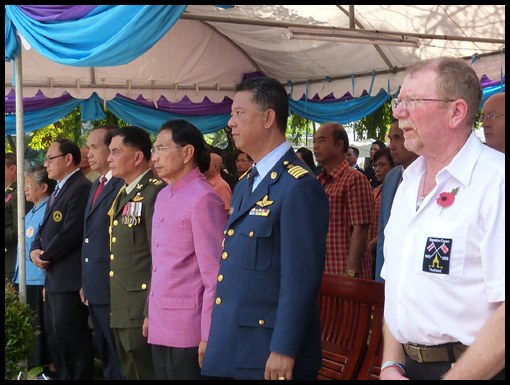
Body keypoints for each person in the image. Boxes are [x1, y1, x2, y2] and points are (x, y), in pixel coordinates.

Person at [381, 57, 505, 380]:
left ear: (456, 112)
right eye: (399, 100)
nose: (397, 112)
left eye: (411, 101)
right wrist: (391, 364)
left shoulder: (497, 181)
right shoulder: (406, 184)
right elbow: (398, 286)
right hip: (406, 368)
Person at [202, 77, 329, 380]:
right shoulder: (248, 182)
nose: (230, 123)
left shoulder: (298, 185)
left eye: (239, 113)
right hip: (236, 337)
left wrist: (284, 349)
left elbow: (301, 278)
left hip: (268, 347)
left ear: (268, 117)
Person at [145, 119, 227, 380]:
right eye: (154, 150)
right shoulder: (163, 194)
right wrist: (150, 311)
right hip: (160, 319)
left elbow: (214, 275)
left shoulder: (204, 197)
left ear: (187, 152)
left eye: (161, 149)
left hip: (188, 327)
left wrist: (208, 333)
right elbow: (159, 263)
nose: (154, 157)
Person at [30, 139, 94, 380]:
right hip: (54, 278)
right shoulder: (59, 188)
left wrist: (45, 255)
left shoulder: (80, 187)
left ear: (68, 159)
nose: (46, 164)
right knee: (58, 343)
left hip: (69, 280)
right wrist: (34, 251)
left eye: (50, 159)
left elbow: (70, 232)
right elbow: (44, 229)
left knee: (73, 345)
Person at [106, 126, 166, 380]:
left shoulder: (154, 192)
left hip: (139, 305)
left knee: (145, 372)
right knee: (130, 371)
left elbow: (158, 256)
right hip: (121, 304)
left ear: (138, 157)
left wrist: (149, 309)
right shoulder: (124, 191)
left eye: (116, 152)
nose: (109, 158)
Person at [80, 125, 125, 380]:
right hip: (95, 286)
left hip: (112, 288)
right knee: (106, 355)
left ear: (112, 149)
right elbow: (90, 237)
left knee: (120, 358)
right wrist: (86, 282)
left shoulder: (121, 184)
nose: (88, 153)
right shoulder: (97, 182)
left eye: (95, 147)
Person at [314, 122, 374, 279]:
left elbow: (360, 229)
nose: (315, 146)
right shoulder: (319, 181)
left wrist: (350, 273)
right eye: (314, 141)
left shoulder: (354, 179)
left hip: (346, 275)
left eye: (321, 140)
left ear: (339, 145)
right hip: (323, 273)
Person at [13, 165, 56, 375]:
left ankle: (44, 371)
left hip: (38, 279)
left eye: (29, 184)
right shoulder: (33, 210)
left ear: (44, 187)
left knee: (40, 329)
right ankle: (33, 370)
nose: (25, 189)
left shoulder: (49, 210)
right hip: (24, 278)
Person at [374, 119, 418, 282]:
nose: (391, 146)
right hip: (390, 278)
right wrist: (380, 281)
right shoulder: (391, 177)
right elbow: (383, 234)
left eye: (398, 138)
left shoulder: (434, 176)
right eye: (390, 139)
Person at [5, 153, 33, 281]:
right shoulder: (9, 191)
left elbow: (20, 228)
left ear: (12, 168)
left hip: (12, 260)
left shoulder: (19, 192)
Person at [366, 148, 395, 266]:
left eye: (381, 165)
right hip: (370, 252)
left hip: (385, 250)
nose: (377, 169)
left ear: (395, 166)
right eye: (375, 165)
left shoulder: (398, 190)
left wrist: (373, 245)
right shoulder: (377, 190)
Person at [204, 151, 232, 215]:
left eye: (206, 162)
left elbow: (226, 212)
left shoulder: (222, 186)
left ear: (215, 167)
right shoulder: (201, 182)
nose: (202, 164)